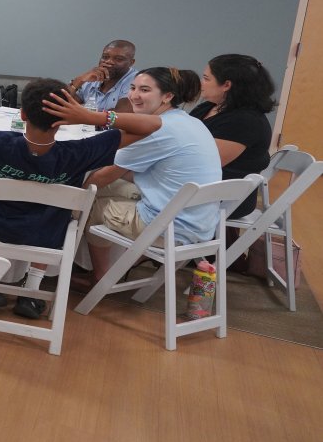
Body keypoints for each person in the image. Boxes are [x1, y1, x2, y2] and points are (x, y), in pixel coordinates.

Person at [0, 78, 166, 319]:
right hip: (49, 234)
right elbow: (154, 124)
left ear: (22, 114)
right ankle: (32, 289)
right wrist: (91, 117)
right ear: (64, 119)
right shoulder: (79, 152)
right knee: (51, 214)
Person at [72, 67, 222, 291]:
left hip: (171, 228)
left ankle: (100, 277)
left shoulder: (159, 129)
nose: (134, 95)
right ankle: (94, 266)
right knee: (103, 187)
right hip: (199, 224)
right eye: (132, 88)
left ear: (167, 96)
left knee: (90, 201)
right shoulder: (188, 121)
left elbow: (105, 174)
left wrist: (73, 202)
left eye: (144, 90)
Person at [192, 54, 275, 220]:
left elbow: (204, 164)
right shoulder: (209, 107)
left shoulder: (245, 121)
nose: (201, 83)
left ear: (227, 85)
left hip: (222, 198)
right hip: (200, 186)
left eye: (206, 78)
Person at [69, 39, 136, 113]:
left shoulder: (136, 80)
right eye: (105, 57)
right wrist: (78, 81)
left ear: (131, 62)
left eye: (118, 59)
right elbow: (61, 103)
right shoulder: (92, 76)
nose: (109, 61)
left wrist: (83, 110)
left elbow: (119, 116)